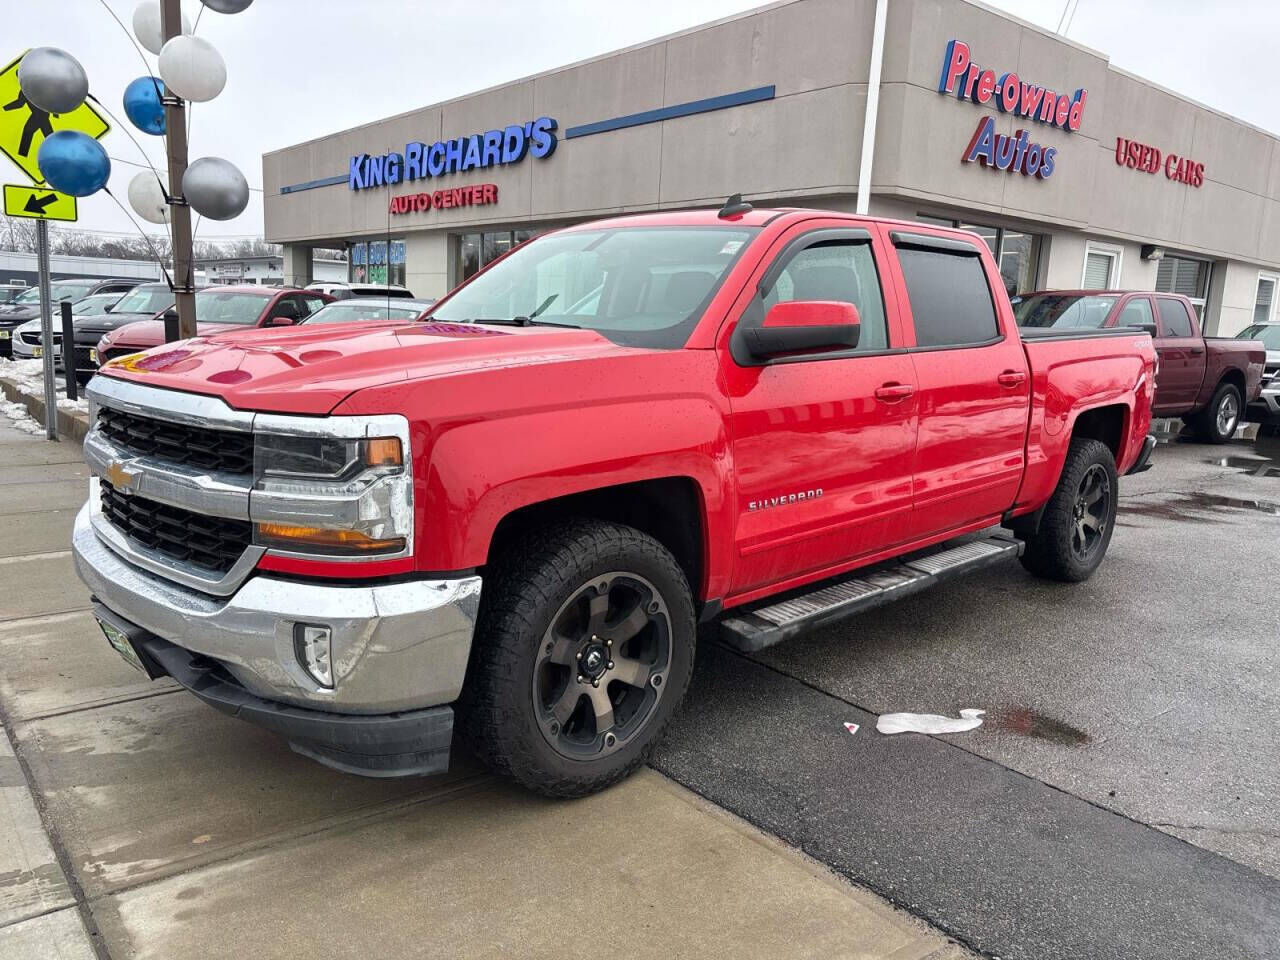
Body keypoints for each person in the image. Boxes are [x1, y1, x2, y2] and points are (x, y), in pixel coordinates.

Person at [2, 92, 53, 158]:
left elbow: (51, 99)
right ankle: (22, 155)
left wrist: (55, 113)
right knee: (45, 134)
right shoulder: (25, 90)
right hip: (38, 115)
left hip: (41, 115)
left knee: (28, 131)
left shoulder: (38, 87)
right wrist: (4, 108)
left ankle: (22, 154)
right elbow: (20, 103)